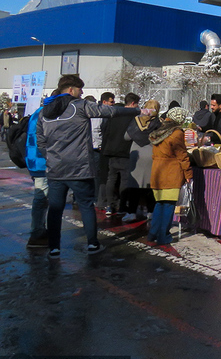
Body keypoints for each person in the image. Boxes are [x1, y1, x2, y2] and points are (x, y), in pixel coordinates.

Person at [37, 75, 145, 258]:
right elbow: (110, 112)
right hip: (79, 168)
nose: (82, 93)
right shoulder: (80, 107)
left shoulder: (44, 112)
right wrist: (135, 111)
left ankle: (54, 248)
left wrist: (51, 158)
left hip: (55, 169)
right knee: (87, 206)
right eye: (80, 89)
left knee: (55, 208)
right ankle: (92, 244)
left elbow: (41, 141)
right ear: (71, 90)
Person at [148, 107, 192, 245]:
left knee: (159, 203)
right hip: (171, 172)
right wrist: (188, 173)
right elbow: (182, 155)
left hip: (157, 172)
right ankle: (164, 235)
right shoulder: (176, 133)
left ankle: (152, 233)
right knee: (168, 205)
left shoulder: (159, 131)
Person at [102, 92, 140, 216]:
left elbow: (105, 131)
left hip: (111, 149)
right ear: (133, 103)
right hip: (125, 150)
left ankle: (109, 205)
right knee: (124, 179)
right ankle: (122, 206)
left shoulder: (114, 114)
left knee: (111, 178)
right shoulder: (133, 116)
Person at [124, 99, 161, 223]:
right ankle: (151, 211)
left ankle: (131, 212)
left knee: (134, 186)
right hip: (151, 154)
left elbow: (126, 136)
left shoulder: (136, 121)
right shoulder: (158, 122)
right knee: (150, 185)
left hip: (136, 154)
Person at [24, 103, 49, 248]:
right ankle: (37, 232)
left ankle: (39, 229)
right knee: (41, 197)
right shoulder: (45, 114)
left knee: (42, 196)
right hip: (41, 161)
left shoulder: (37, 113)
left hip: (34, 159)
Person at [91, 91, 115, 209]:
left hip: (100, 147)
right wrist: (99, 145)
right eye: (111, 101)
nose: (113, 103)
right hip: (97, 149)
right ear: (104, 102)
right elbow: (95, 130)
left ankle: (99, 198)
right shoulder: (99, 113)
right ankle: (97, 198)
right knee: (98, 174)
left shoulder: (105, 113)